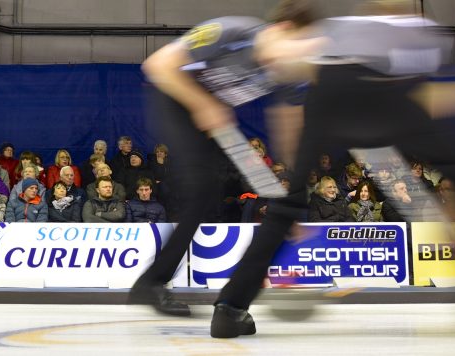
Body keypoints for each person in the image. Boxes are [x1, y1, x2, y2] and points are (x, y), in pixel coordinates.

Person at [212, 0, 455, 338]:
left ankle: (230, 308)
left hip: (332, 93)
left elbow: (290, 108)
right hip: (379, 94)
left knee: (285, 208)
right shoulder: (424, 33)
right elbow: (453, 99)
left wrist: (293, 187)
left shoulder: (337, 31)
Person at [130, 0, 328, 319]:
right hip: (173, 97)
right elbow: (157, 65)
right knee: (201, 189)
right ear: (283, 30)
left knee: (210, 194)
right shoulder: (231, 32)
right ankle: (152, 283)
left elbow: (288, 127)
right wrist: (201, 103)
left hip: (211, 114)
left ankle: (151, 282)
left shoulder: (287, 74)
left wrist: (290, 193)